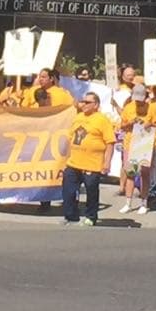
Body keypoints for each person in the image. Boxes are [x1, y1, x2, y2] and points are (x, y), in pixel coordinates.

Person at [62, 92, 116, 226]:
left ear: (96, 105)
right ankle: (71, 216)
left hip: (92, 163)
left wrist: (107, 162)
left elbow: (110, 142)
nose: (84, 105)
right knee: (68, 190)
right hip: (74, 162)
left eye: (87, 102)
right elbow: (70, 138)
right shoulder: (78, 117)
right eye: (83, 102)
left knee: (91, 191)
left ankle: (91, 216)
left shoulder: (102, 120)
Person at [120, 84, 156, 215]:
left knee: (144, 173)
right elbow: (122, 126)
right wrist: (130, 123)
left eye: (140, 98)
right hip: (130, 143)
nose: (138, 101)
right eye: (136, 98)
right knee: (130, 173)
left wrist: (149, 124)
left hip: (145, 144)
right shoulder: (128, 107)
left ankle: (144, 202)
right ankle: (128, 202)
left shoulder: (152, 108)